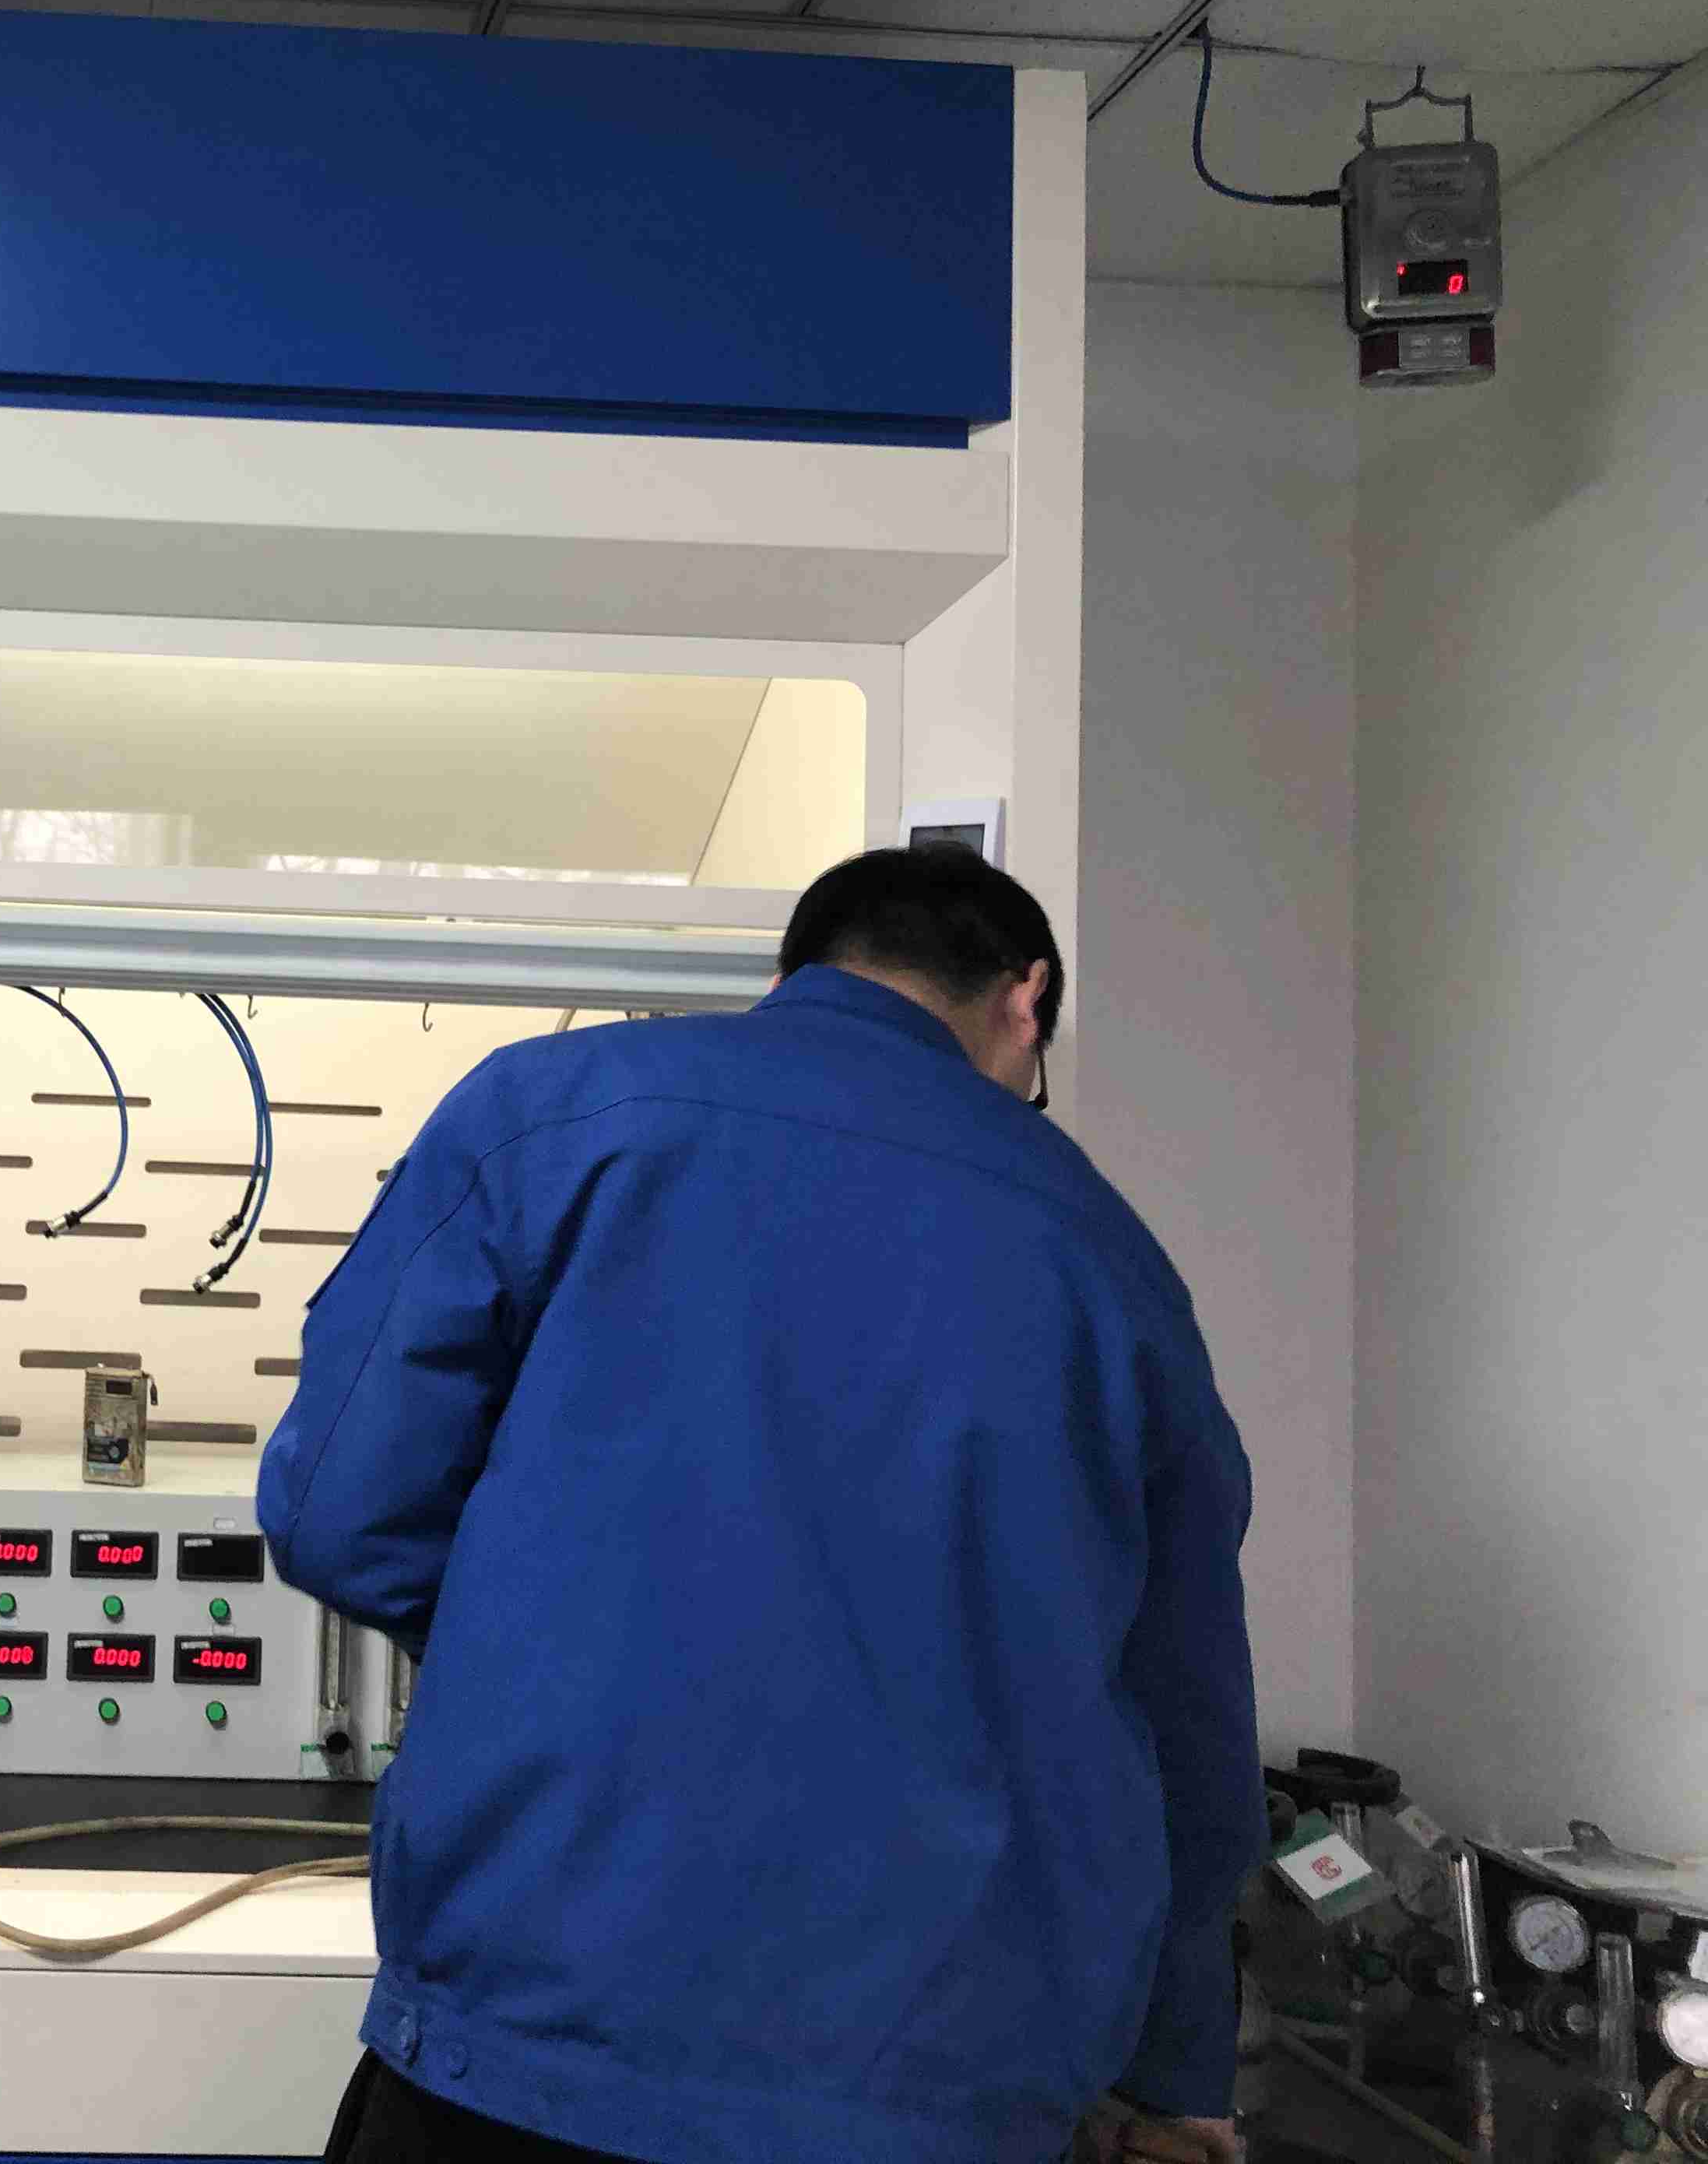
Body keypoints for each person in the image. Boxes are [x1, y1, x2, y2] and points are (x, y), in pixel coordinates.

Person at [262, 843, 1257, 2164]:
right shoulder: (1109, 1255)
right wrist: (1176, 2067)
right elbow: (1186, 1718)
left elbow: (336, 1511)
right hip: (932, 2085)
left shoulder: (552, 1113)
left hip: (527, 2038)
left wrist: (555, 1650)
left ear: (795, 974)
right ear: (1026, 1002)